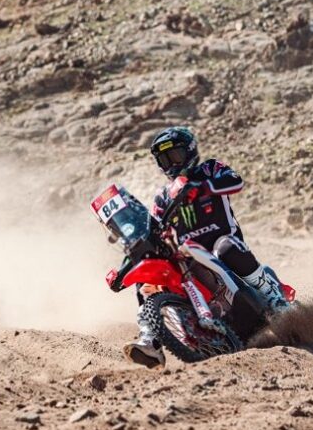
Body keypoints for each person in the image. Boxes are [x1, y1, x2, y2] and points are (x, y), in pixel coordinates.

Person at [123, 126, 288, 369]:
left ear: (190, 151)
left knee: (226, 247)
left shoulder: (210, 169)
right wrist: (127, 263)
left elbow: (236, 181)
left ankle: (274, 298)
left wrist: (202, 186)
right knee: (146, 276)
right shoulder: (163, 196)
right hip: (189, 255)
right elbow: (151, 229)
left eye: (175, 156)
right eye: (165, 159)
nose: (171, 163)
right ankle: (150, 340)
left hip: (222, 244)